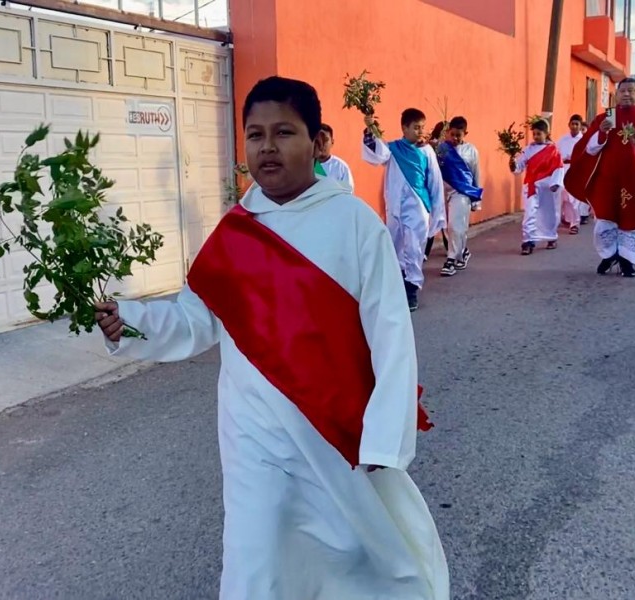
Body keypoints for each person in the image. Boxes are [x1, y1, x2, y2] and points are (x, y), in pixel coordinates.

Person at [95, 76, 449, 600]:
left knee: (352, 554)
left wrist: (383, 437)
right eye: (255, 134)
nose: (267, 147)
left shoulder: (353, 221)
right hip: (253, 433)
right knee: (255, 560)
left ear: (316, 141)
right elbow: (198, 319)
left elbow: (390, 334)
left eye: (283, 132)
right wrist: (130, 321)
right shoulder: (236, 230)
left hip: (332, 430)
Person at [564, 78, 635, 277]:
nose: (626, 94)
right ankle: (609, 255)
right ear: (616, 95)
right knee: (606, 218)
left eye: (631, 91)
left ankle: (628, 261)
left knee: (633, 218)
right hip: (607, 179)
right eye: (623, 91)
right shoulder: (607, 117)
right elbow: (589, 148)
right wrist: (601, 132)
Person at [362, 109, 445, 311]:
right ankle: (397, 285)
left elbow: (435, 181)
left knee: (414, 248)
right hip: (395, 208)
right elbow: (376, 154)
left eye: (421, 128)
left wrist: (437, 210)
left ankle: (411, 289)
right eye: (415, 127)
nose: (419, 132)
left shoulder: (426, 152)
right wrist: (370, 128)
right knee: (394, 247)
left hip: (418, 206)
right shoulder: (392, 149)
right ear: (404, 128)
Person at [435, 116, 482, 276]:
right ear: (448, 132)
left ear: (465, 133)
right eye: (452, 134)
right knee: (450, 226)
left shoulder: (471, 151)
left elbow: (476, 174)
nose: (455, 138)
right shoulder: (442, 149)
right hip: (444, 191)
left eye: (458, 135)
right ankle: (463, 252)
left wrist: (477, 199)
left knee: (456, 225)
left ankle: (451, 260)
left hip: (462, 192)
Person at [512, 119, 565, 255]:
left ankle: (551, 237)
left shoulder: (553, 150)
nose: (535, 137)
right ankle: (528, 241)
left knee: (549, 215)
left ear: (546, 134)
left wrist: (555, 183)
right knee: (529, 214)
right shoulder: (528, 150)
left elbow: (558, 168)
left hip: (547, 188)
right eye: (534, 134)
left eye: (539, 134)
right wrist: (513, 164)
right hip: (531, 187)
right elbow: (519, 166)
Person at [425, 121, 450, 261]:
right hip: (433, 185)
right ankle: (426, 250)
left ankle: (449, 246)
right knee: (434, 217)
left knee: (442, 218)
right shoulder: (431, 146)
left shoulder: (447, 147)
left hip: (445, 185)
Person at [557, 114, 584, 234]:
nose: (574, 126)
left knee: (574, 198)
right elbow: (556, 154)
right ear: (569, 124)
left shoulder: (584, 140)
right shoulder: (562, 139)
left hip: (576, 170)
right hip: (562, 169)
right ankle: (567, 219)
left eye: (576, 124)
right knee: (563, 197)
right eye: (572, 124)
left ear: (580, 126)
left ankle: (575, 223)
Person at [316, 123, 355, 192]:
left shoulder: (341, 167)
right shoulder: (305, 166)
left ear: (332, 142)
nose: (322, 143)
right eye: (318, 140)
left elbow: (348, 192)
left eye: (325, 140)